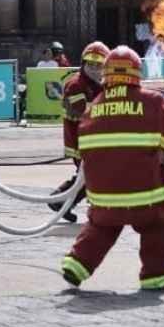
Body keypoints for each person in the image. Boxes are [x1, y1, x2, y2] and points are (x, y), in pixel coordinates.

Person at [60, 45, 164, 291]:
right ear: (136, 73)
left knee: (101, 227)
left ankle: (75, 265)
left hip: (104, 196)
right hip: (146, 195)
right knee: (161, 225)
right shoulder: (152, 100)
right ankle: (156, 277)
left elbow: (84, 143)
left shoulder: (95, 105)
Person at [48, 41, 109, 221]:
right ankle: (96, 210)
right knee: (93, 175)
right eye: (91, 64)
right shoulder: (75, 84)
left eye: (99, 65)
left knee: (87, 176)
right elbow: (83, 111)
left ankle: (60, 201)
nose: (95, 68)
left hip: (94, 140)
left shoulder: (98, 83)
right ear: (83, 63)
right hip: (80, 141)